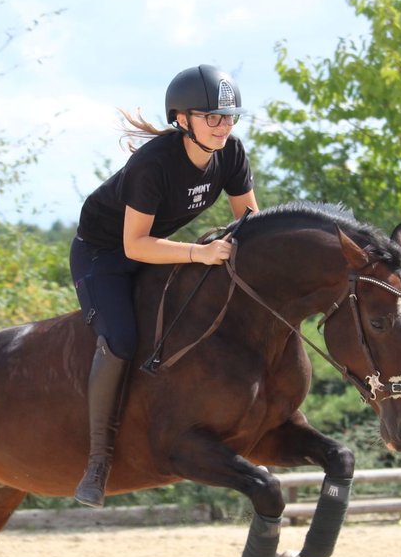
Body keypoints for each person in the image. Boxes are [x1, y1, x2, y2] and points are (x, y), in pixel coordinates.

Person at [69, 64, 259, 507]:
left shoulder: (231, 154)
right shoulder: (152, 164)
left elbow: (250, 223)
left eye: (229, 117)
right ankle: (98, 460)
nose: (223, 126)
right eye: (212, 117)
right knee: (120, 339)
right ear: (181, 119)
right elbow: (134, 246)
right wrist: (199, 252)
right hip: (105, 255)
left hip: (162, 247)